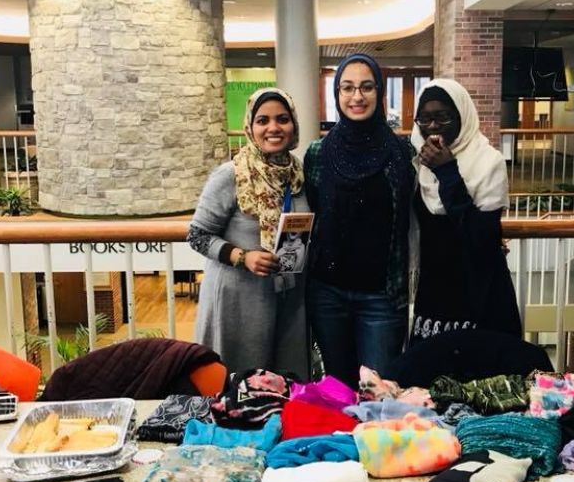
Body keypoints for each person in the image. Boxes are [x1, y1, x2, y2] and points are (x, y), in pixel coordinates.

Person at [304, 53, 414, 387]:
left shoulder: (402, 153)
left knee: (378, 394)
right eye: (347, 87)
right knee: (338, 391)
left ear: (379, 92)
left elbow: (420, 210)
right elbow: (312, 214)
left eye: (366, 87)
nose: (357, 96)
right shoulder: (318, 153)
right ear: (336, 93)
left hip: (381, 297)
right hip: (328, 294)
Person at [187, 88, 310, 379]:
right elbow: (198, 235)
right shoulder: (231, 174)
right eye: (263, 120)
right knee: (237, 386)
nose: (273, 128)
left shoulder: (299, 174)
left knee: (283, 387)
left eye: (282, 119)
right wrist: (243, 256)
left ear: (294, 125)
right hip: (238, 304)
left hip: (287, 301)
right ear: (250, 127)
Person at [409, 79, 520, 343]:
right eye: (424, 119)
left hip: (479, 291)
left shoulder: (487, 162)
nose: (432, 126)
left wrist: (447, 171)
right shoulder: (418, 163)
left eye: (442, 117)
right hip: (434, 289)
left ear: (462, 116)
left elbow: (482, 237)